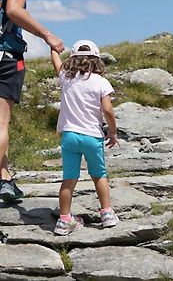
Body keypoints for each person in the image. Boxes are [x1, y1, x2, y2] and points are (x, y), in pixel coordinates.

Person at [0, 0, 64, 202]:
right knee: (0, 124)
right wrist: (47, 35)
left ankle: (5, 178)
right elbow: (14, 9)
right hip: (6, 53)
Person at [50, 40, 119, 235]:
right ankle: (107, 214)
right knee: (99, 175)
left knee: (69, 179)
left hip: (70, 136)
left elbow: (56, 63)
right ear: (97, 60)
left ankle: (64, 221)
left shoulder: (66, 77)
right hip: (92, 136)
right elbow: (107, 110)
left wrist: (53, 48)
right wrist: (112, 132)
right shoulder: (101, 82)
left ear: (72, 59)